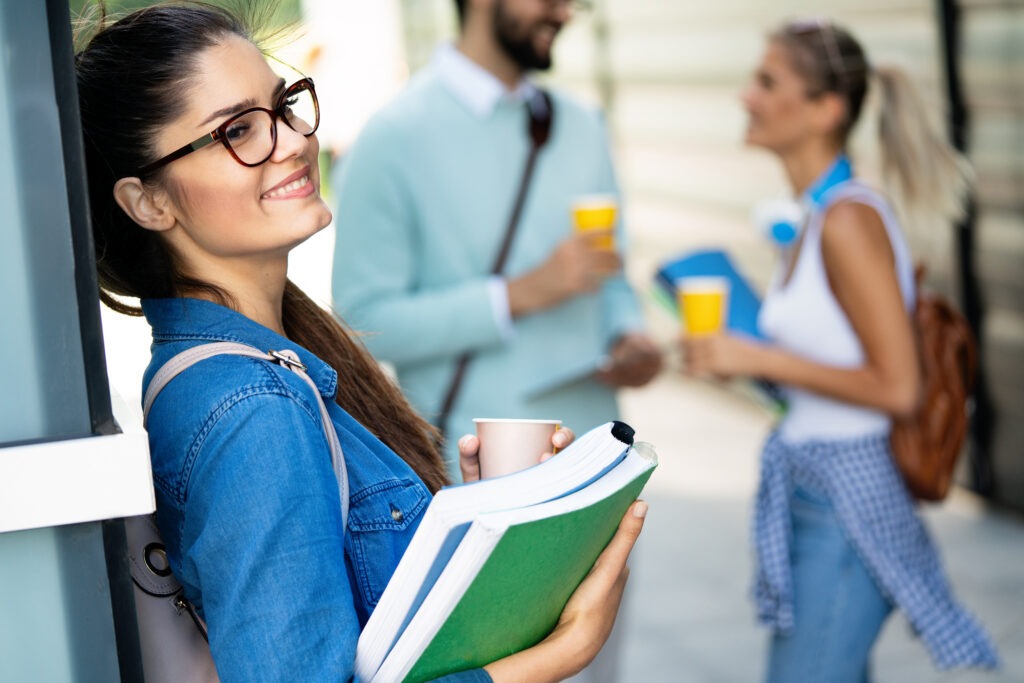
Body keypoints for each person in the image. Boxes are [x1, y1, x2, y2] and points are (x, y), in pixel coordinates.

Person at [74, 3, 646, 681]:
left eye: (283, 107)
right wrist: (562, 652)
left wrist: (482, 529)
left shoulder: (258, 365)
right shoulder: (255, 406)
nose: (289, 140)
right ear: (148, 203)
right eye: (237, 130)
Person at [682, 18, 999, 682]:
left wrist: (758, 358)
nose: (747, 96)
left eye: (768, 81)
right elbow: (825, 366)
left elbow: (897, 387)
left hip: (847, 507)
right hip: (811, 488)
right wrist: (732, 359)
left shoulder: (849, 220)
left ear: (826, 110)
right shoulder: (816, 218)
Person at [330, 0, 662, 478]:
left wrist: (631, 336)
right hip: (479, 475)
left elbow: (612, 278)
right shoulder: (391, 137)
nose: (564, 14)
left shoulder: (583, 126)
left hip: (599, 460)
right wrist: (517, 295)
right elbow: (365, 321)